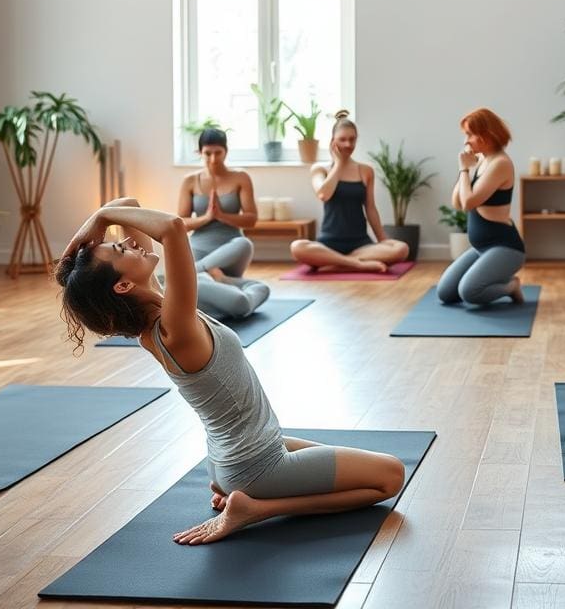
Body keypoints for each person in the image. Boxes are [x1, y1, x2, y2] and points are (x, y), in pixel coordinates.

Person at [55, 199, 405, 544]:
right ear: (123, 286)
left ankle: (249, 497)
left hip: (232, 464)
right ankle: (259, 509)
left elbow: (129, 204)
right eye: (120, 249)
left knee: (349, 462)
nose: (130, 242)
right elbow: (173, 228)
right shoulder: (175, 328)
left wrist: (101, 222)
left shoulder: (157, 315)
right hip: (258, 469)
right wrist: (101, 215)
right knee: (390, 476)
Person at [290, 111, 409, 272]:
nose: (348, 144)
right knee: (297, 247)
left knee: (401, 249)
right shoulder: (320, 170)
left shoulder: (365, 171)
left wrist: (382, 240)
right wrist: (338, 165)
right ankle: (356, 264)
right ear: (333, 142)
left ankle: (335, 262)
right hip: (328, 244)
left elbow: (371, 208)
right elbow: (323, 194)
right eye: (342, 139)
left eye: (352, 139)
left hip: (360, 244)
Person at [177, 128, 269, 319]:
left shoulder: (241, 178)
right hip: (199, 248)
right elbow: (182, 224)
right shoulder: (190, 181)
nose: (212, 159)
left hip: (231, 249)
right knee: (198, 289)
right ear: (199, 152)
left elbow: (251, 219)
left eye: (217, 153)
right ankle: (217, 280)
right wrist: (207, 217)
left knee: (245, 243)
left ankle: (193, 272)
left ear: (226, 151)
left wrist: (222, 216)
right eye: (207, 153)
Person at [436, 108, 525, 305]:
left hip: (506, 248)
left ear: (486, 134)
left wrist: (464, 168)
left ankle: (511, 286)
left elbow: (468, 202)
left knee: (469, 292)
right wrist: (465, 169)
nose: (466, 141)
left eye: (469, 134)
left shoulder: (501, 163)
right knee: (445, 293)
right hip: (481, 248)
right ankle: (491, 273)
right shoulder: (484, 160)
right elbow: (457, 202)